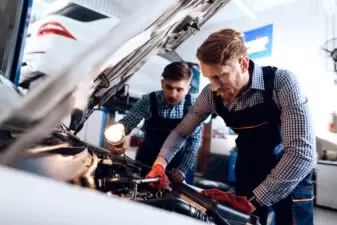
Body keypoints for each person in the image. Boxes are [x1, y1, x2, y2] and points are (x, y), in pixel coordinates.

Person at [145, 28, 316, 225]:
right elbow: (182, 131)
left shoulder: (282, 83)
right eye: (209, 78)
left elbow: (301, 153)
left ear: (243, 63)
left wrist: (252, 201)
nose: (215, 87)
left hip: (290, 174)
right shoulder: (210, 94)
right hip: (249, 171)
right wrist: (160, 164)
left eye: (220, 76)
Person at [109, 61, 202, 185]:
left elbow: (194, 143)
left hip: (175, 170)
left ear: (188, 89)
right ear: (162, 83)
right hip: (145, 164)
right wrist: (118, 139)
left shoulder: (194, 108)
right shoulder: (148, 100)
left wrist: (182, 170)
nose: (173, 95)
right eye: (169, 87)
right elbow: (128, 122)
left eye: (179, 89)